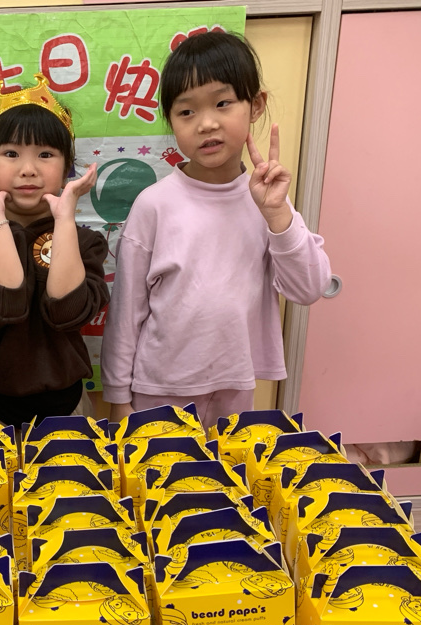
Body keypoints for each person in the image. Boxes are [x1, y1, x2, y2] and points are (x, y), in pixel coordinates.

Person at [101, 32, 332, 429]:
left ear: (255, 105)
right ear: (171, 121)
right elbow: (126, 310)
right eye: (186, 111)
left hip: (236, 386)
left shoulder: (268, 202)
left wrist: (277, 215)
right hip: (158, 389)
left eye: (222, 103)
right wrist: (119, 398)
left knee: (225, 471)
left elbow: (309, 288)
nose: (206, 123)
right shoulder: (154, 205)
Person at [0, 74, 109, 432]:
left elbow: (67, 312)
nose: (28, 169)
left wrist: (64, 219)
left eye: (45, 154)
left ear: (67, 169)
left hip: (68, 407)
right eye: (11, 154)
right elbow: (3, 307)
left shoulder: (86, 242)